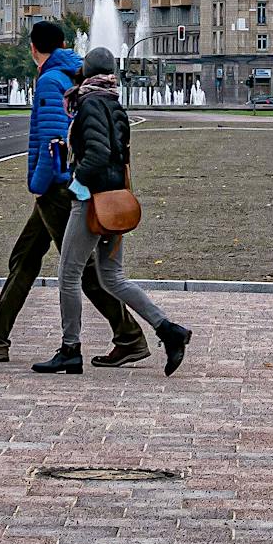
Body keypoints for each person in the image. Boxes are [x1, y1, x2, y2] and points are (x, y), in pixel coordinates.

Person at [0, 22, 146, 366]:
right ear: (62, 43)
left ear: (33, 48)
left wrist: (42, 185)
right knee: (24, 258)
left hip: (56, 188)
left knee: (82, 271)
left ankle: (130, 336)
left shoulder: (49, 80)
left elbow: (54, 140)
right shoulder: (72, 73)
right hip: (61, 185)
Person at [34, 47, 192, 377]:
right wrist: (69, 150)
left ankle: (70, 349)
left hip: (92, 201)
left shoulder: (89, 103)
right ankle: (168, 330)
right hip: (116, 200)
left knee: (68, 275)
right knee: (112, 277)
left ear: (88, 72)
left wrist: (78, 180)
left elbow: (99, 153)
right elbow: (115, 153)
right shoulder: (114, 103)